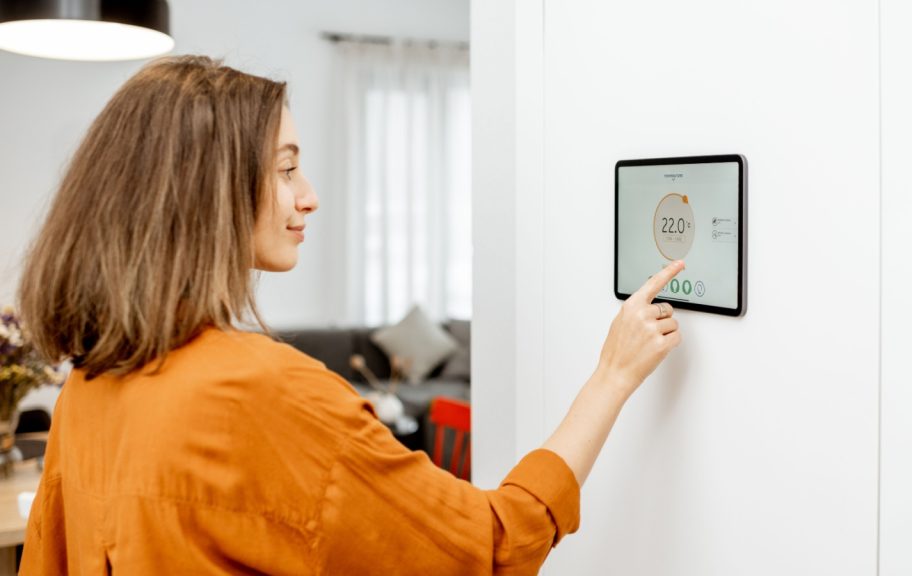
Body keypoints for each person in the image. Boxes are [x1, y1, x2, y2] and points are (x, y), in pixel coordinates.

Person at [16, 56, 685, 574]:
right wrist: (611, 376)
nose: (308, 197)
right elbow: (488, 549)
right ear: (207, 192)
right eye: (285, 170)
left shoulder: (87, 388)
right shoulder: (260, 392)